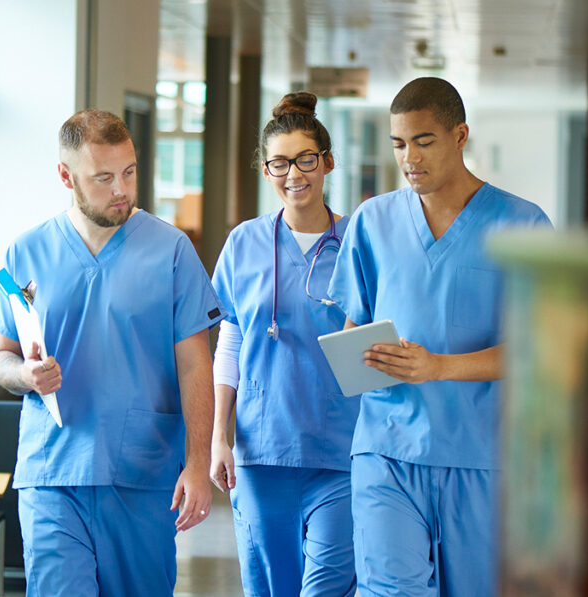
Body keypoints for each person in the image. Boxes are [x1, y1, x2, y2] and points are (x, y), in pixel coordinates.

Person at [327, 77, 552, 596]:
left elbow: (540, 350)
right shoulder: (373, 221)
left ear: (459, 135)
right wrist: (356, 355)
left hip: (480, 456)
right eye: (399, 144)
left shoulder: (522, 224)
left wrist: (440, 367)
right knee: (390, 590)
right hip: (386, 449)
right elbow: (354, 324)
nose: (410, 158)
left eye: (423, 141)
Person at [0, 108, 224, 597]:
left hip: (141, 470)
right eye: (103, 177)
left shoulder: (172, 251)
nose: (121, 189)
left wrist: (197, 463)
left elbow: (195, 365)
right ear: (65, 176)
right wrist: (26, 376)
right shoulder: (26, 251)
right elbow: (1, 358)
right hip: (52, 471)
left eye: (129, 172)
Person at [209, 92, 358, 597]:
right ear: (266, 169)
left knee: (326, 587)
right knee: (270, 587)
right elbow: (230, 339)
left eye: (306, 160)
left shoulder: (358, 243)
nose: (293, 174)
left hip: (343, 449)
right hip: (262, 449)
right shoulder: (243, 243)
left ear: (328, 162)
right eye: (279, 163)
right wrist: (218, 436)